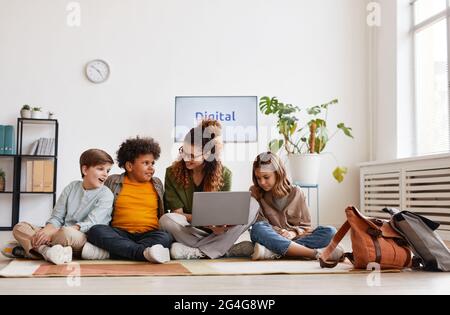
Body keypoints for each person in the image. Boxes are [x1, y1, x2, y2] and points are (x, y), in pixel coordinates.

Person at [160, 119, 258, 260]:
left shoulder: (225, 174)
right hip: (190, 231)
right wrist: (205, 222)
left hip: (217, 232)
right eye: (183, 151)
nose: (186, 158)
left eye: (192, 155)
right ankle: (223, 249)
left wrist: (220, 223)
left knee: (253, 205)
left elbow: (223, 212)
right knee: (166, 219)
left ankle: (198, 252)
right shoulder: (171, 173)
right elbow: (178, 214)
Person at [6, 149, 114, 265]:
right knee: (20, 227)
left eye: (108, 170)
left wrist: (51, 233)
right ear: (85, 169)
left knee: (65, 233)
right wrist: (47, 230)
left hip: (80, 236)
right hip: (59, 233)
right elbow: (57, 217)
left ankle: (30, 248)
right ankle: (46, 251)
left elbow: (92, 223)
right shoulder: (71, 187)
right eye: (100, 169)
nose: (105, 174)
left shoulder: (106, 194)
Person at [83, 137, 173, 263]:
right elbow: (98, 201)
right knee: (96, 230)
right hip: (119, 233)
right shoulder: (113, 181)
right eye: (146, 163)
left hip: (149, 234)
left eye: (152, 163)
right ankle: (142, 253)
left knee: (166, 237)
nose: (151, 167)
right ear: (130, 166)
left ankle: (120, 251)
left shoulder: (157, 183)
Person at [249, 152, 344, 261]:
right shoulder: (255, 192)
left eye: (266, 177)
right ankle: (314, 253)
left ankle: (272, 252)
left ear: (278, 173)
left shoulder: (296, 192)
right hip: (270, 236)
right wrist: (280, 232)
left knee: (330, 232)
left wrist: (292, 233)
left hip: (291, 238)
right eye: (258, 178)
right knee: (257, 229)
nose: (262, 182)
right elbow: (260, 223)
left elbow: (306, 225)